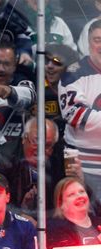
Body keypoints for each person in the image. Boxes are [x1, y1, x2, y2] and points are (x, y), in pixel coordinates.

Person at [59, 19, 101, 199]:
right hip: (82, 167)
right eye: (97, 39)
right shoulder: (73, 74)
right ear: (88, 43)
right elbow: (77, 115)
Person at [46, 177, 101, 249]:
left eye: (81, 191)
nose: (79, 196)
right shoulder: (54, 228)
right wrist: (97, 240)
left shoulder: (98, 222)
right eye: (71, 194)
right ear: (61, 204)